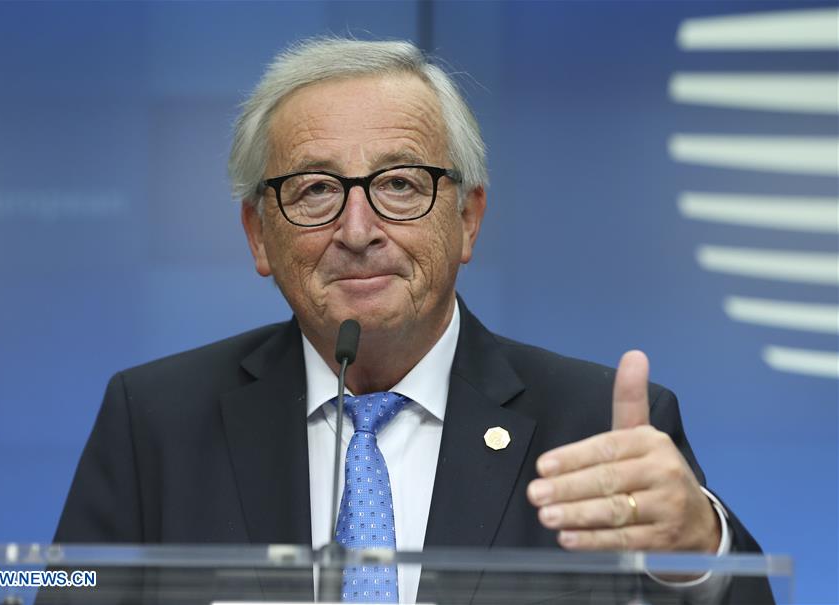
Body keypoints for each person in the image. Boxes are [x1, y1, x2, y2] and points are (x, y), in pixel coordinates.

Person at [54, 37, 772, 604]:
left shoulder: (596, 425)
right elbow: (54, 585)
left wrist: (695, 552)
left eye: (399, 184)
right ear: (257, 234)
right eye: (314, 189)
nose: (357, 229)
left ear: (468, 219)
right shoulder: (154, 420)